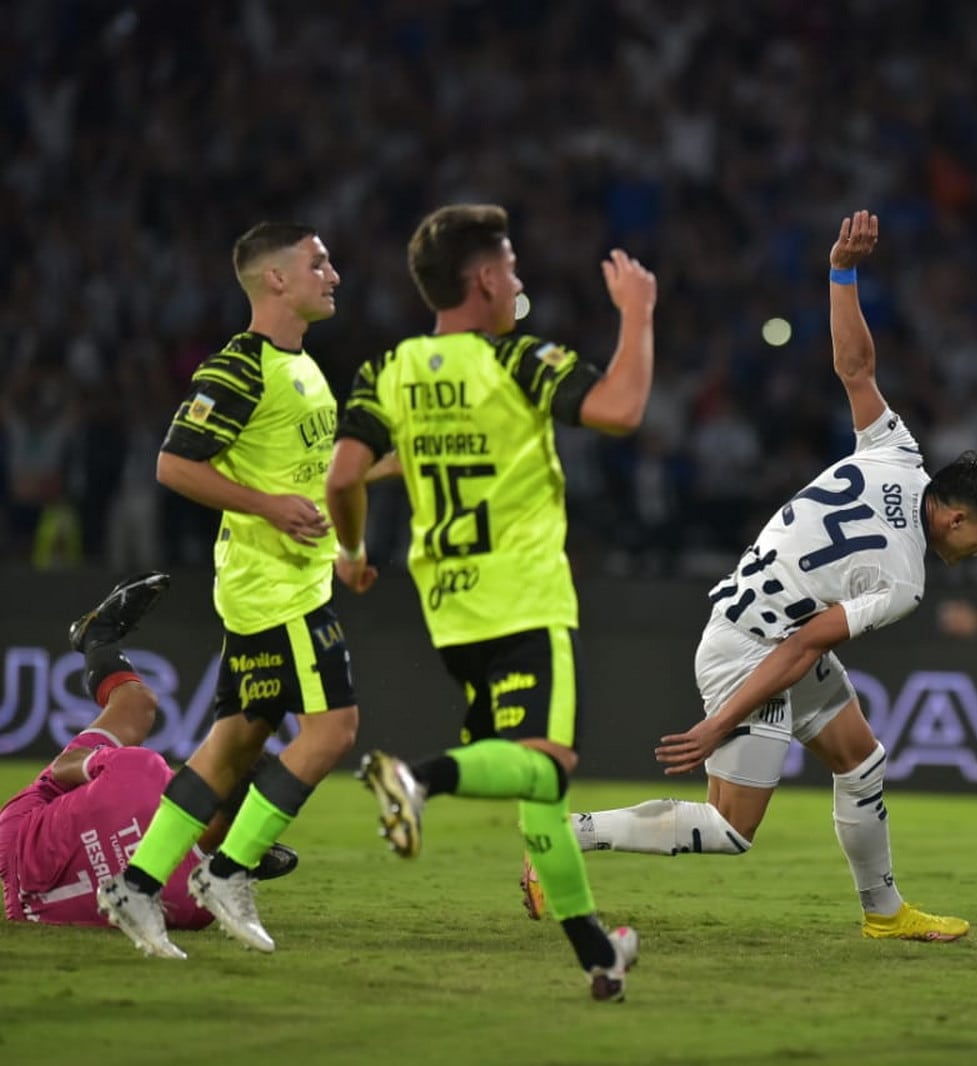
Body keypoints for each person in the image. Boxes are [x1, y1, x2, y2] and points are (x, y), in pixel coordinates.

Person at [564, 211, 977, 943]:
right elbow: (806, 645)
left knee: (860, 759)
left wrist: (842, 272)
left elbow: (855, 368)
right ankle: (569, 836)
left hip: (759, 624)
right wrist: (715, 722)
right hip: (754, 646)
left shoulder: (899, 453)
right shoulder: (902, 580)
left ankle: (884, 912)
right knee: (729, 830)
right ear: (956, 518)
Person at [323, 203, 656, 1001]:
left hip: (448, 607)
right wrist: (638, 316)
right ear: (482, 279)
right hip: (526, 598)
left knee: (534, 782)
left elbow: (345, 476)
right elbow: (620, 409)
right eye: (509, 268)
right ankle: (418, 780)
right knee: (550, 762)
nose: (518, 281)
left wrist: (353, 552)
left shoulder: (391, 370)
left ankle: (596, 953)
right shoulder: (518, 361)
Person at [96, 222, 361, 960]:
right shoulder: (240, 367)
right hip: (275, 592)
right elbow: (174, 466)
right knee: (332, 730)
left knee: (234, 743)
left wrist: (340, 540)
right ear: (275, 279)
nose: (333, 274)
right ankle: (228, 869)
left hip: (292, 578)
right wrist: (268, 507)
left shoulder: (305, 367)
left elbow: (305, 478)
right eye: (319, 263)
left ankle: (135, 885)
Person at [0, 572, 297, 927]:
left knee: (138, 705)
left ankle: (98, 638)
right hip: (34, 914)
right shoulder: (198, 907)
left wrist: (96, 805)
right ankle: (234, 857)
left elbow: (65, 767)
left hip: (14, 839)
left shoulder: (144, 772)